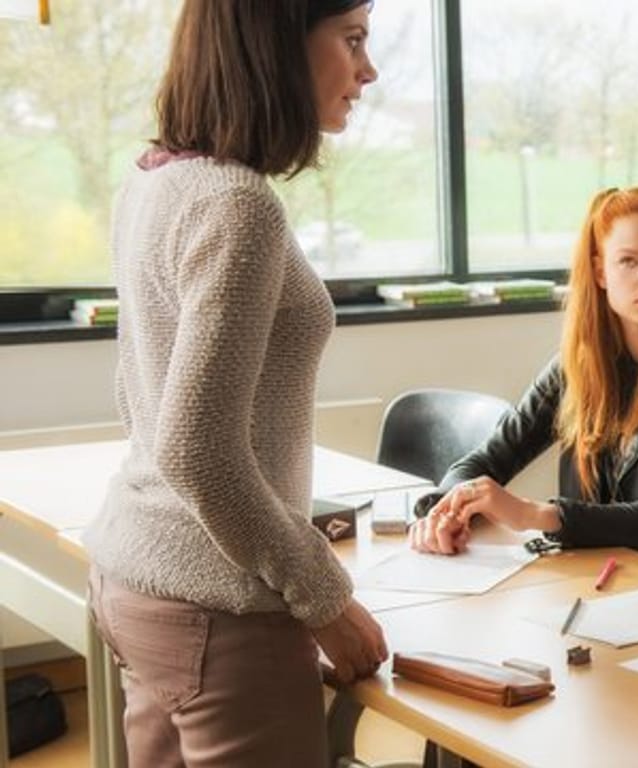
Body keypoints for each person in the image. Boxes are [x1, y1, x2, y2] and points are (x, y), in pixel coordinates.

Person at [82, 2, 387, 764]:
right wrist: (326, 598)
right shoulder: (236, 204)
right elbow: (197, 450)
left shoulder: (158, 178)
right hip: (218, 606)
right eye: (352, 40)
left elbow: (140, 400)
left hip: (140, 578)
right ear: (278, 42)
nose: (367, 70)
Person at [409, 186, 638, 566]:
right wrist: (447, 511)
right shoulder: (577, 365)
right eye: (629, 261)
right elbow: (482, 463)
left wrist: (532, 514)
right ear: (601, 271)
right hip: (613, 576)